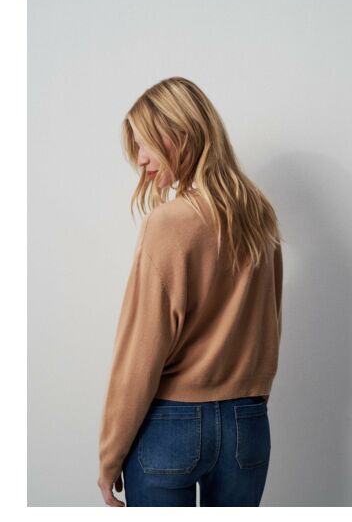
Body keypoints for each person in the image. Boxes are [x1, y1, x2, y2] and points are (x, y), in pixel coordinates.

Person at [97, 76, 284, 507]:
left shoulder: (167, 224)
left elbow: (139, 352)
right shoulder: (260, 214)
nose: (141, 160)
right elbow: (271, 325)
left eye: (146, 143)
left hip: (171, 422)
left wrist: (110, 456)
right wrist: (248, 403)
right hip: (247, 423)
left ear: (179, 133)